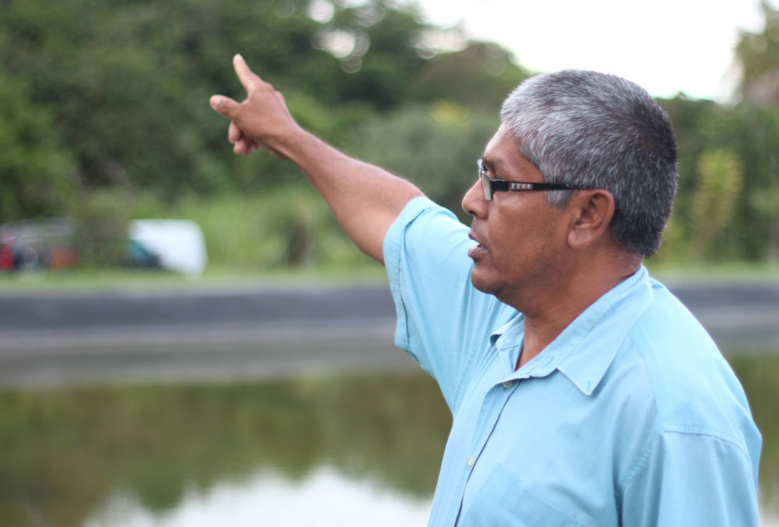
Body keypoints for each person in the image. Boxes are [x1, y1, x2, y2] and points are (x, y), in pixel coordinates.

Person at [210, 54, 762, 526]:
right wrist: (287, 135)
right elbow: (397, 213)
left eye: (498, 181)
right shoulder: (501, 309)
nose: (472, 200)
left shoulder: (675, 414)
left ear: (587, 215)